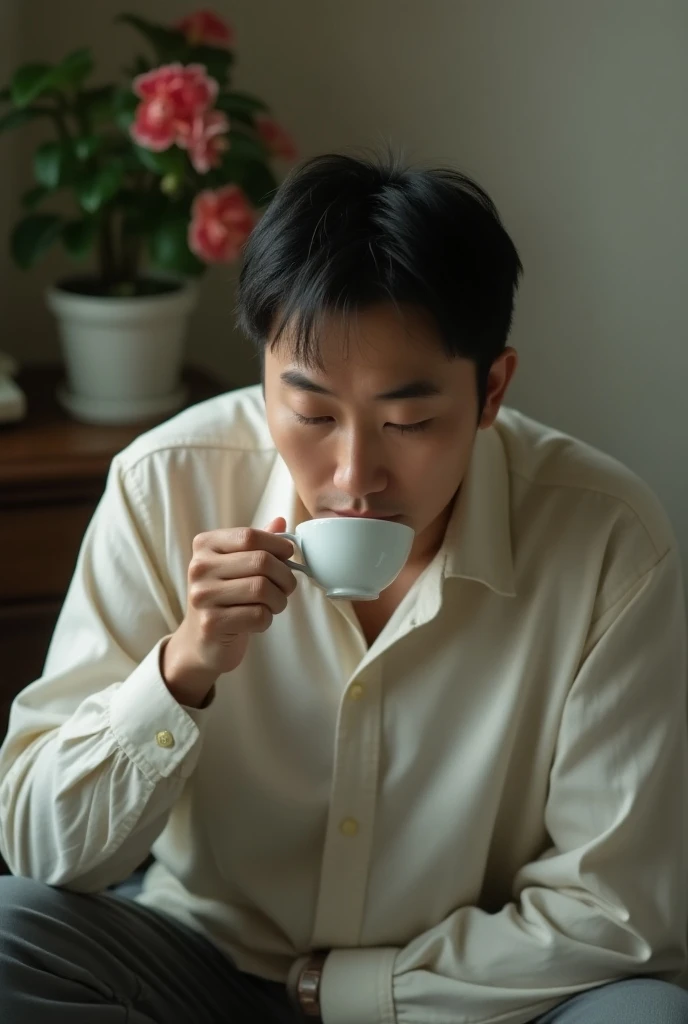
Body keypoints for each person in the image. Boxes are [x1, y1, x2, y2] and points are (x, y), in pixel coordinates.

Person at [0, 153, 686, 1024]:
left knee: (644, 1016)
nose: (354, 475)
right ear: (264, 381)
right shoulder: (165, 484)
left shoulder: (606, 539)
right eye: (314, 414)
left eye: (409, 422)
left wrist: (351, 994)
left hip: (467, 999)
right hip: (204, 969)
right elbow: (36, 850)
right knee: (8, 933)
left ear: (491, 391)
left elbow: (620, 914)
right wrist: (181, 670)